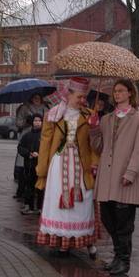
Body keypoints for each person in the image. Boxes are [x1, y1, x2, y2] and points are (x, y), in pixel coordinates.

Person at [89, 78, 139, 275]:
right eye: (115, 91)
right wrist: (93, 129)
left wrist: (131, 173)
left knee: (124, 223)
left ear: (130, 93)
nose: (117, 94)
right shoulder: (107, 119)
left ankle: (124, 260)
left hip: (125, 179)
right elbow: (99, 147)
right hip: (107, 179)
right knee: (108, 219)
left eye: (121, 91)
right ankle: (117, 257)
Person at [35, 77, 99, 257]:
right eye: (79, 96)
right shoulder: (54, 115)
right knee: (58, 200)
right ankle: (63, 242)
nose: (82, 100)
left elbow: (94, 144)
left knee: (83, 203)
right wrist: (42, 170)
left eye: (84, 97)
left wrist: (95, 161)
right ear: (69, 94)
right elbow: (45, 143)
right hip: (58, 165)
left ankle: (88, 242)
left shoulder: (89, 115)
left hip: (81, 165)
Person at [14, 94, 49, 199]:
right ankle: (21, 191)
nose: (37, 99)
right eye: (34, 97)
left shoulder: (46, 108)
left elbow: (49, 123)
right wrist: (26, 122)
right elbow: (18, 122)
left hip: (41, 137)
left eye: (39, 97)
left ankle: (38, 191)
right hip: (27, 137)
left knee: (39, 166)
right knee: (23, 167)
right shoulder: (24, 108)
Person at [18, 114, 43, 215]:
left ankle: (41, 208)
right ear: (32, 122)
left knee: (40, 187)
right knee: (29, 186)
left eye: (39, 120)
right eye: (35, 120)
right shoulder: (27, 135)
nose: (37, 122)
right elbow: (20, 148)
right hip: (29, 165)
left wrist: (39, 154)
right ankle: (30, 206)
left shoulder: (44, 135)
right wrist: (29, 154)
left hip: (41, 165)